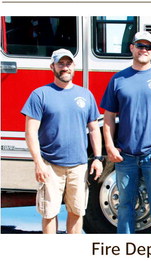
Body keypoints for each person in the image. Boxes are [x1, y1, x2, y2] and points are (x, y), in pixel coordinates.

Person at [101, 31, 151, 234]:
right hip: (125, 157)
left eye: (148, 47)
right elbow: (108, 116)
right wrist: (110, 147)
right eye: (140, 45)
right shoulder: (118, 79)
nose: (143, 50)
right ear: (132, 48)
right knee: (124, 207)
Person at [22, 48, 103, 234]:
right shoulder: (39, 95)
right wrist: (38, 163)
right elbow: (31, 132)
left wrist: (98, 158)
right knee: (49, 213)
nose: (65, 68)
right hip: (50, 165)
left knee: (76, 211)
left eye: (68, 64)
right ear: (53, 66)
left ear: (74, 66)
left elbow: (93, 129)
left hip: (79, 165)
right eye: (61, 64)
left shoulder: (86, 95)